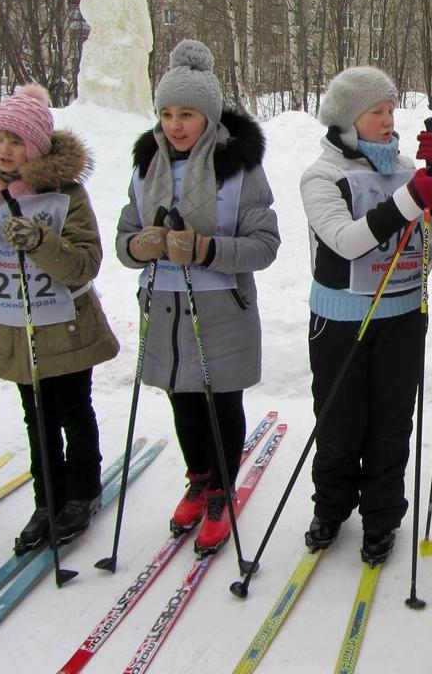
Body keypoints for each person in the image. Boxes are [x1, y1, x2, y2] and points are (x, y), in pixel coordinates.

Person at [116, 40, 280, 554]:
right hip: (163, 304)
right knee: (181, 400)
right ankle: (199, 476)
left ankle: (221, 490)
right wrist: (140, 245)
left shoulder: (240, 167)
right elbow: (123, 239)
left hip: (221, 305)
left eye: (186, 113)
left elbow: (265, 244)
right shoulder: (146, 168)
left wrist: (207, 248)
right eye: (166, 113)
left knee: (219, 400)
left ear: (207, 116)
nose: (175, 124)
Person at [300, 66, 432, 565]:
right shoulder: (322, 176)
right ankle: (331, 506)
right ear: (349, 120)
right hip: (341, 320)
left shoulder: (404, 167)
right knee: (340, 420)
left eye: (391, 110)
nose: (389, 120)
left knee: (392, 421)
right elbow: (346, 241)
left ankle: (382, 516)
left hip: (403, 312)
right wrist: (410, 199)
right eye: (377, 112)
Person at [0, 84, 119, 551]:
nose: (4, 149)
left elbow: (85, 262)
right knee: (35, 417)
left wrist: (40, 241)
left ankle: (81, 493)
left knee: (72, 412)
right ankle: (48, 499)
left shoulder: (65, 195)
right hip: (16, 329)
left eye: (15, 140)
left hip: (65, 327)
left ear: (37, 146)